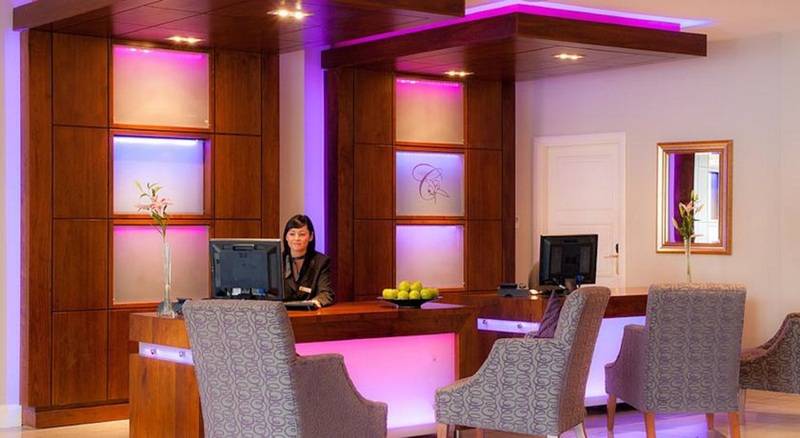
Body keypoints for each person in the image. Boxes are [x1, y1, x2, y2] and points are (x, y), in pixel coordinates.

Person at [282, 214, 334, 308]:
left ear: (311, 236)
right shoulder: (277, 260)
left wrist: (314, 302)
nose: (296, 238)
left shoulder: (321, 261)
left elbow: (326, 293)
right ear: (286, 237)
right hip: (281, 313)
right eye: (292, 234)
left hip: (309, 312)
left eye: (302, 234)